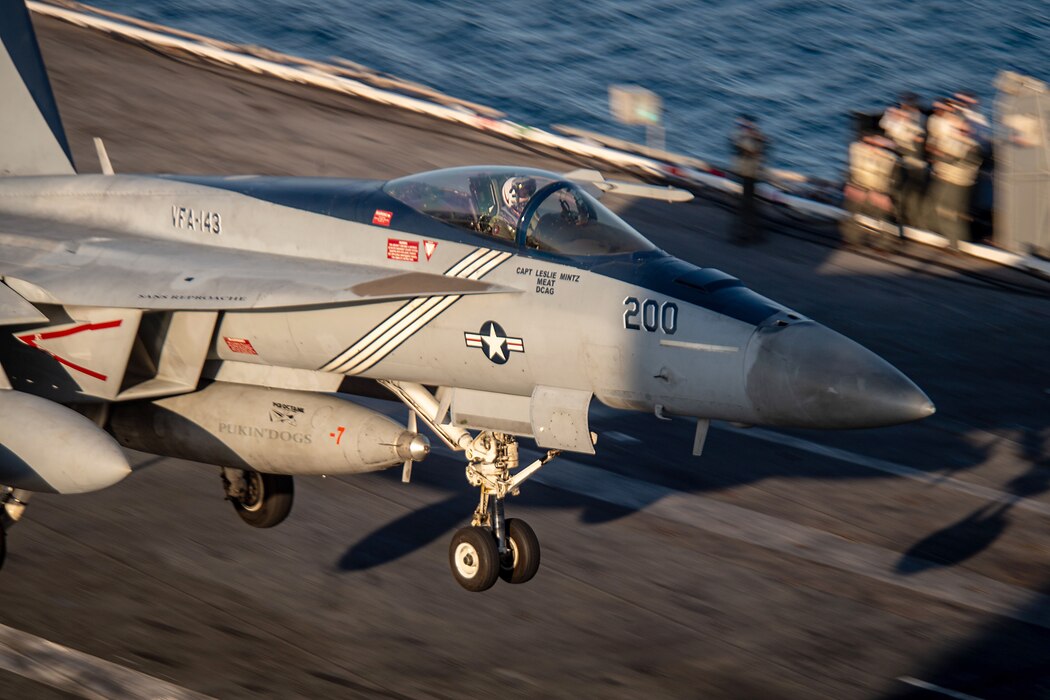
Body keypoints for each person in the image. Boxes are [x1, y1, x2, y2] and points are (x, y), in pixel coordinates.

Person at [927, 114, 983, 250]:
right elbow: (937, 153)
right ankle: (950, 237)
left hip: (960, 182)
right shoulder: (950, 140)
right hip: (946, 178)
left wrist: (946, 158)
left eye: (963, 131)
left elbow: (965, 161)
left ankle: (957, 242)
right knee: (941, 208)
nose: (960, 133)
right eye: (958, 130)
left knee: (953, 212)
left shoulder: (973, 146)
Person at [841, 133, 902, 249]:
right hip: (860, 187)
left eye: (873, 144)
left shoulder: (890, 159)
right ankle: (852, 238)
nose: (870, 147)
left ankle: (887, 244)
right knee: (851, 211)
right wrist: (849, 185)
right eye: (867, 143)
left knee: (884, 218)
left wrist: (886, 195)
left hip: (881, 192)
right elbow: (851, 170)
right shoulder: (857, 151)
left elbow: (896, 180)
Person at [880, 92, 926, 229]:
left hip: (912, 161)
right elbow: (885, 126)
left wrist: (905, 122)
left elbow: (913, 137)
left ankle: (910, 220)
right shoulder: (894, 115)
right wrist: (895, 118)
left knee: (911, 193)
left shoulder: (919, 119)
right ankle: (896, 217)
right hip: (896, 158)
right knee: (895, 190)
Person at [729, 114, 768, 244]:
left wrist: (744, 137)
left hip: (749, 175)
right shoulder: (753, 138)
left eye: (743, 126)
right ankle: (751, 234)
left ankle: (745, 235)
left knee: (747, 207)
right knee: (748, 207)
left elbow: (749, 150)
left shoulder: (751, 140)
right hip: (747, 174)